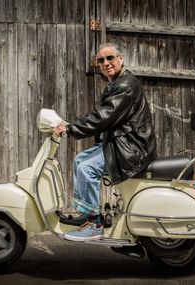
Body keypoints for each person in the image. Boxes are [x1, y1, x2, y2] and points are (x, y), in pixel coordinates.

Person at [54, 42, 157, 241]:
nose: (106, 63)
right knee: (79, 161)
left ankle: (94, 224)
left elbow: (104, 117)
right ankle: (88, 215)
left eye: (110, 58)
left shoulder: (125, 86)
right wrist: (71, 124)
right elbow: (103, 116)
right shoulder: (116, 84)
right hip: (121, 142)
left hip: (131, 148)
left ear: (121, 59)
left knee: (87, 169)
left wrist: (71, 128)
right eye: (101, 60)